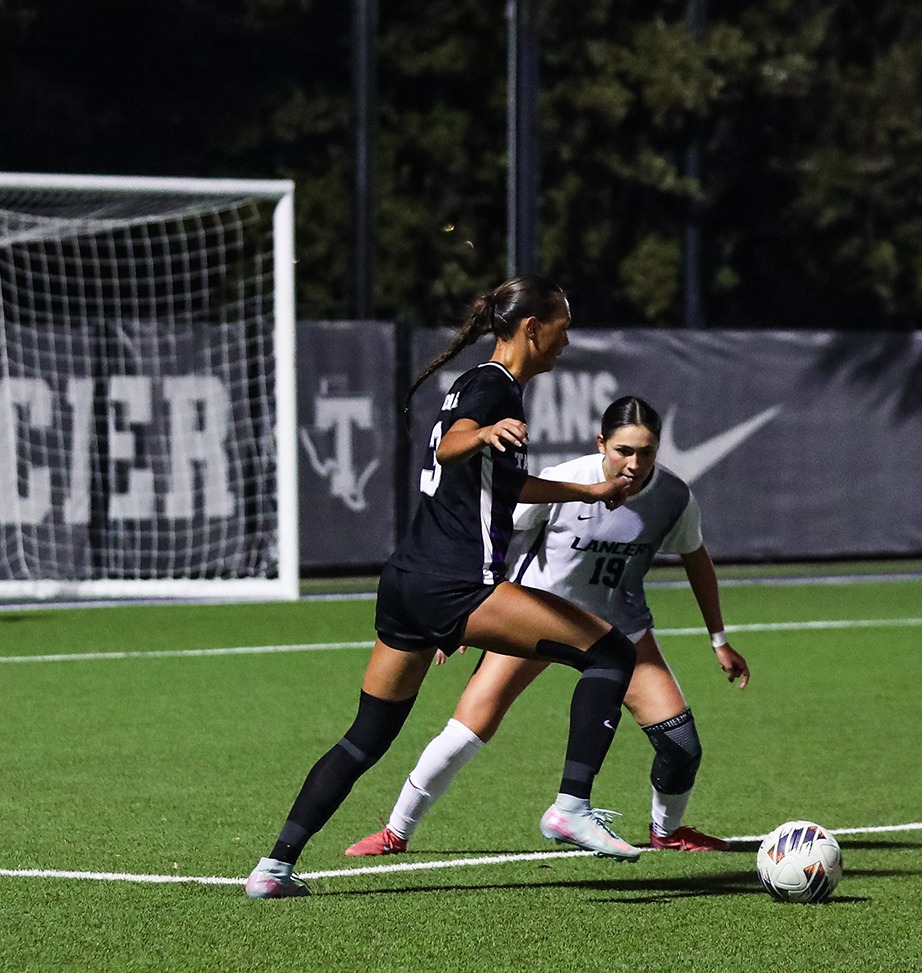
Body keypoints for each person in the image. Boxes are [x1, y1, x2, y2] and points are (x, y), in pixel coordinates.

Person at [247, 275, 644, 900]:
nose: (566, 343)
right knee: (611, 652)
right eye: (562, 329)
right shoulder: (491, 388)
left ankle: (273, 869)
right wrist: (478, 435)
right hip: (455, 584)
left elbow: (504, 483)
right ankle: (570, 806)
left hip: (407, 582)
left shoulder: (477, 383)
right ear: (532, 328)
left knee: (366, 737)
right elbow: (461, 440)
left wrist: (588, 492)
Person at [345, 395, 751, 859]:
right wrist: (459, 614)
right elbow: (498, 539)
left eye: (647, 452)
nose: (634, 463)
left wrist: (718, 640)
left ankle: (667, 831)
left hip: (622, 631)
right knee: (465, 731)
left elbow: (696, 560)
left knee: (681, 745)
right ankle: (396, 832)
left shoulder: (674, 496)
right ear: (601, 443)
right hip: (539, 621)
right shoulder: (561, 483)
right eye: (623, 450)